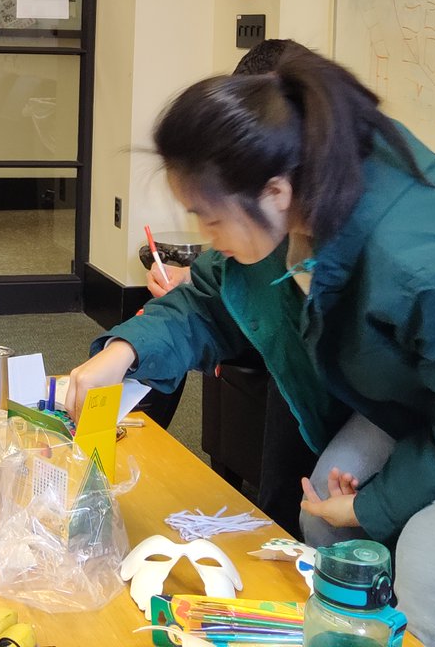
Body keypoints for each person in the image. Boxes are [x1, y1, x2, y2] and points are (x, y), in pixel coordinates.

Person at [68, 45, 435, 647]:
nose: (204, 237)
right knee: (321, 519)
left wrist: (374, 507)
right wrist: (123, 352)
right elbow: (211, 297)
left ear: (276, 191)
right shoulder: (303, 200)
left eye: (207, 219)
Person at [135, 40, 318, 536]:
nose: (208, 234)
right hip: (264, 321)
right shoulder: (267, 210)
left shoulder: (347, 230)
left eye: (210, 218)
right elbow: (221, 283)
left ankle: (282, 528)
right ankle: (124, 437)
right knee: (157, 321)